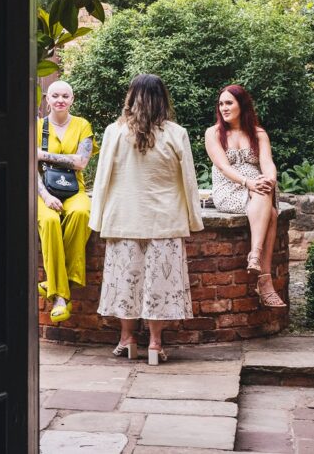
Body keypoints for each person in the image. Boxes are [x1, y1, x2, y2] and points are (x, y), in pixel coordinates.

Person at [90, 74, 203, 365]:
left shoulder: (114, 132)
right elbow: (189, 181)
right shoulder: (176, 133)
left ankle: (127, 339)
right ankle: (155, 343)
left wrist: (97, 218)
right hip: (165, 221)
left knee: (127, 281)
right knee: (159, 285)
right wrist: (193, 219)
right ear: (163, 99)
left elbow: (102, 178)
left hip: (124, 217)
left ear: (131, 97)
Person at [205, 84, 287, 308]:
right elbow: (223, 167)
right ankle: (264, 279)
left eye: (229, 103)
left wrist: (269, 179)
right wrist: (247, 183)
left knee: (265, 192)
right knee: (270, 213)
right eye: (221, 104)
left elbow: (267, 163)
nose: (224, 108)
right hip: (229, 187)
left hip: (257, 188)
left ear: (242, 105)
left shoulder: (258, 134)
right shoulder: (213, 133)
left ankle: (255, 257)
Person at [36, 80, 95, 324]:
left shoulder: (82, 125)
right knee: (49, 221)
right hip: (43, 190)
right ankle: (61, 298)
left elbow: (81, 162)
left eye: (65, 96)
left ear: (72, 99)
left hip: (74, 189)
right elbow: (30, 167)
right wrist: (46, 197)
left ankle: (55, 283)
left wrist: (43, 155)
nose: (60, 100)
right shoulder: (37, 127)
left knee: (82, 214)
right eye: (55, 96)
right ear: (47, 100)